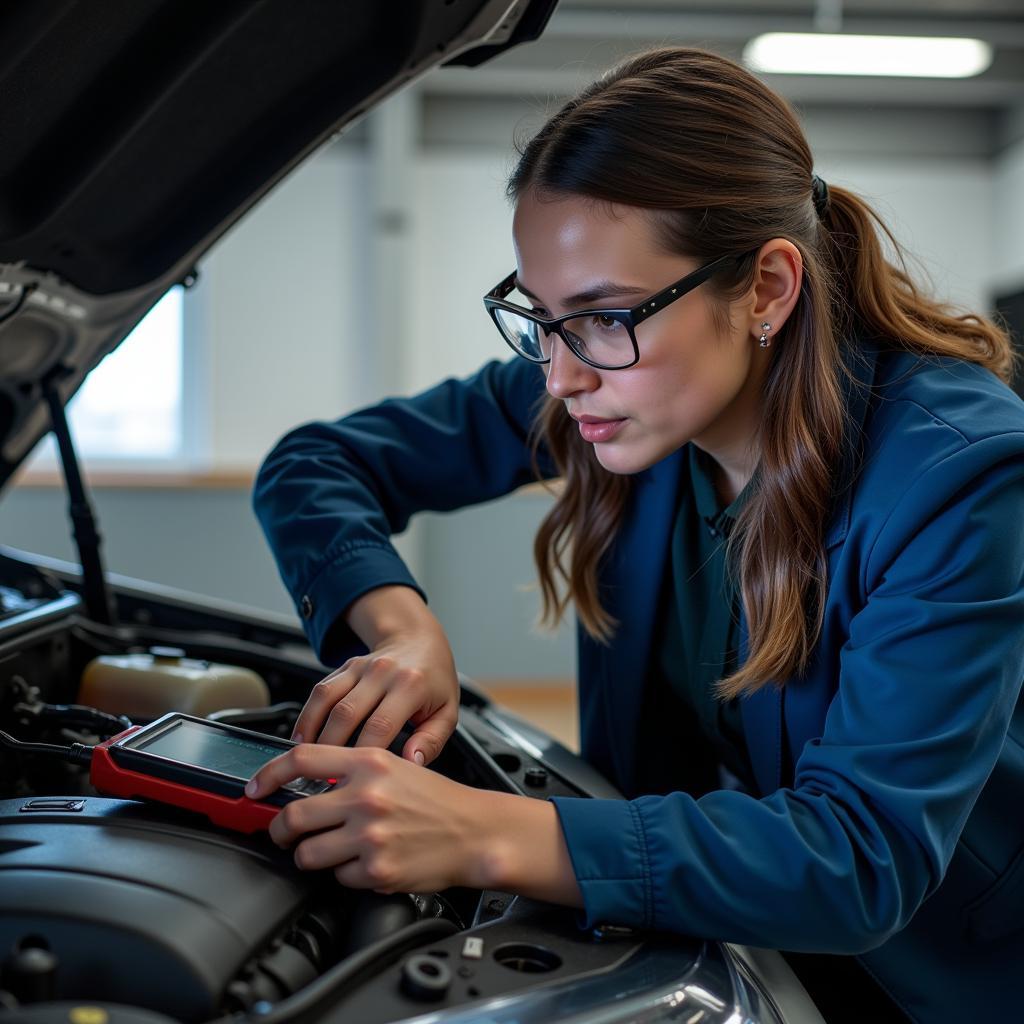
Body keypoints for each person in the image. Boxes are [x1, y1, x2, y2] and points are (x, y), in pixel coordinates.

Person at [249, 47, 1024, 1023]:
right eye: (539, 317)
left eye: (604, 315)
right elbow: (315, 466)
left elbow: (856, 855)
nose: (561, 377)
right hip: (727, 925)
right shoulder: (618, 385)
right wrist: (402, 630)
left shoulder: (959, 474)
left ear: (766, 290)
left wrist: (484, 831)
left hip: (937, 973)